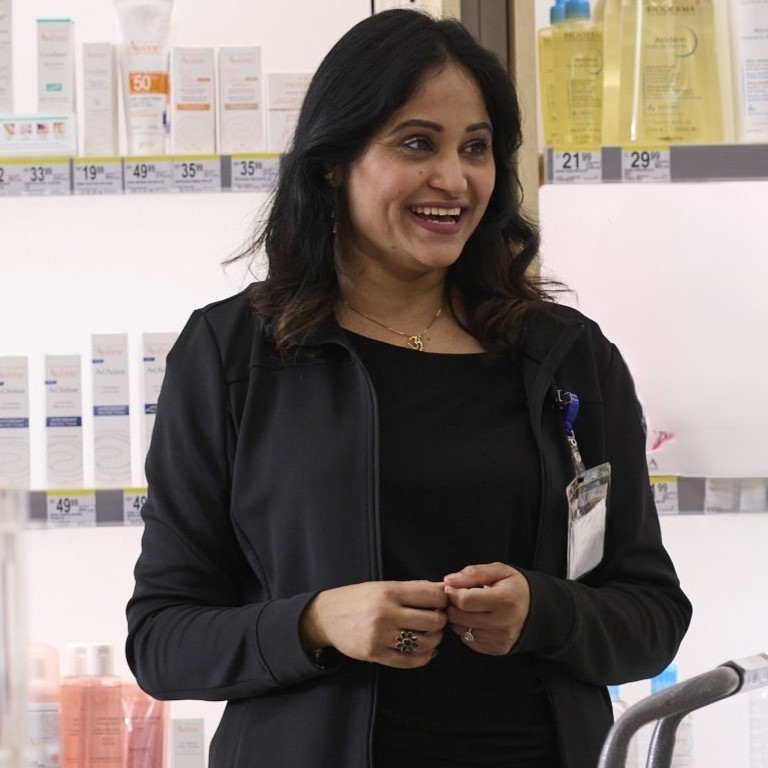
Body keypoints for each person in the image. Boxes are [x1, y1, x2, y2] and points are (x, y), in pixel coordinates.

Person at [125, 9, 692, 768]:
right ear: (334, 159)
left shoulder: (565, 356)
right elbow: (162, 640)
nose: (454, 180)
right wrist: (318, 622)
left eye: (477, 148)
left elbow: (651, 614)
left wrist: (543, 612)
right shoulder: (234, 354)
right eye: (417, 143)